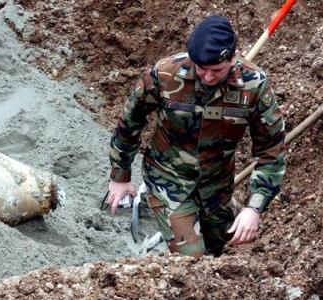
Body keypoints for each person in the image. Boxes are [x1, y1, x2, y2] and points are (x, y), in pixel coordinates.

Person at [107, 15, 285, 257]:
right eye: (202, 69)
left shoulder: (254, 85)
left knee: (221, 253)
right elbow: (130, 121)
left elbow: (271, 151)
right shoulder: (165, 74)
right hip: (168, 179)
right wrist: (120, 175)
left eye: (217, 71)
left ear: (233, 58)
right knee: (193, 260)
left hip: (217, 188)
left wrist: (254, 208)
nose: (209, 77)